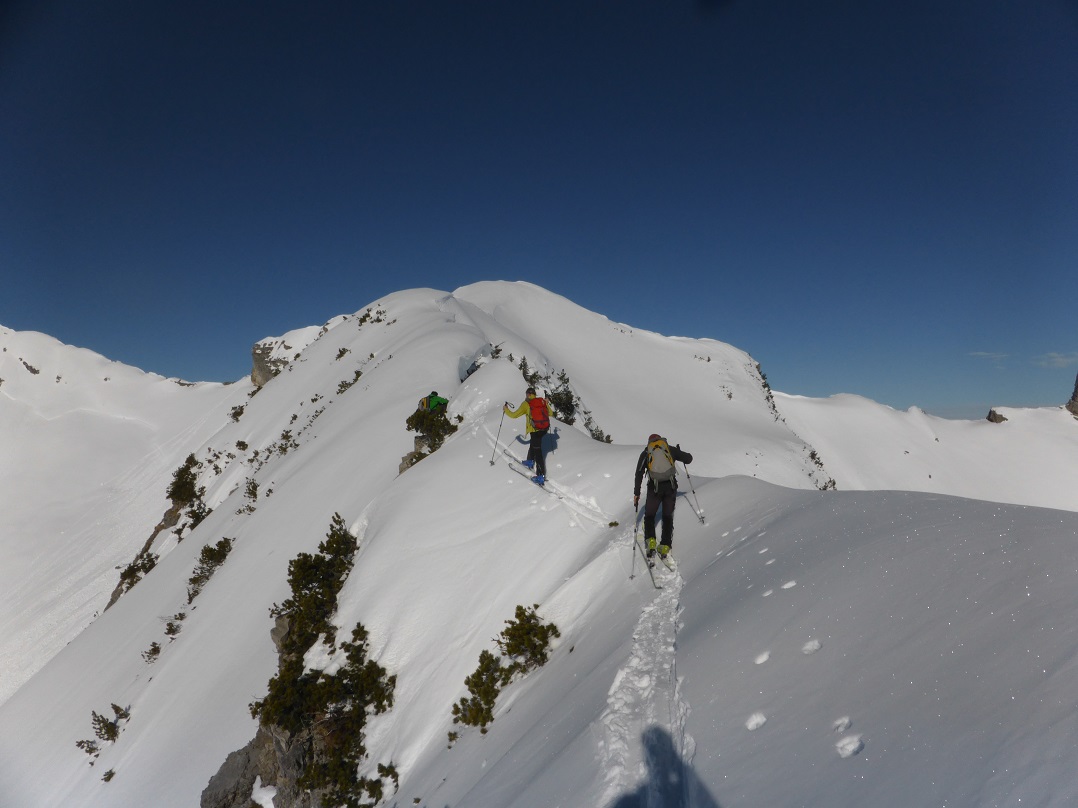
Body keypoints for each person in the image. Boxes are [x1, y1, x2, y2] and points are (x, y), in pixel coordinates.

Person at [633, 434, 693, 558]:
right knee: (667, 516)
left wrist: (637, 493)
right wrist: (678, 452)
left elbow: (639, 473)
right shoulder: (669, 449)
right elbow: (689, 459)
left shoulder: (646, 453)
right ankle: (665, 545)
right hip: (670, 487)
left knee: (649, 515)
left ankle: (651, 541)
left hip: (654, 489)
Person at [504, 387, 552, 485]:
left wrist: (506, 410)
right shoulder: (541, 401)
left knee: (538, 452)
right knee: (534, 443)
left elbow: (514, 415)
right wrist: (546, 404)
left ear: (528, 394)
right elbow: (550, 413)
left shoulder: (526, 403)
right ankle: (530, 460)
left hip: (535, 430)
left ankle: (540, 476)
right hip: (544, 429)